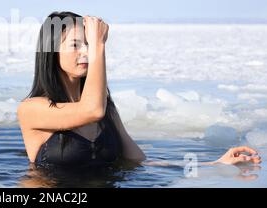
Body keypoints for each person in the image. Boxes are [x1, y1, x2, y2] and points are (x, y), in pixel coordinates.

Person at [17, 11, 262, 169]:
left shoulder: (107, 110)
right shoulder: (32, 109)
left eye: (89, 44)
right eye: (75, 45)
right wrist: (100, 45)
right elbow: (91, 110)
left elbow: (139, 162)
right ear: (51, 52)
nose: (86, 52)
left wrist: (217, 163)